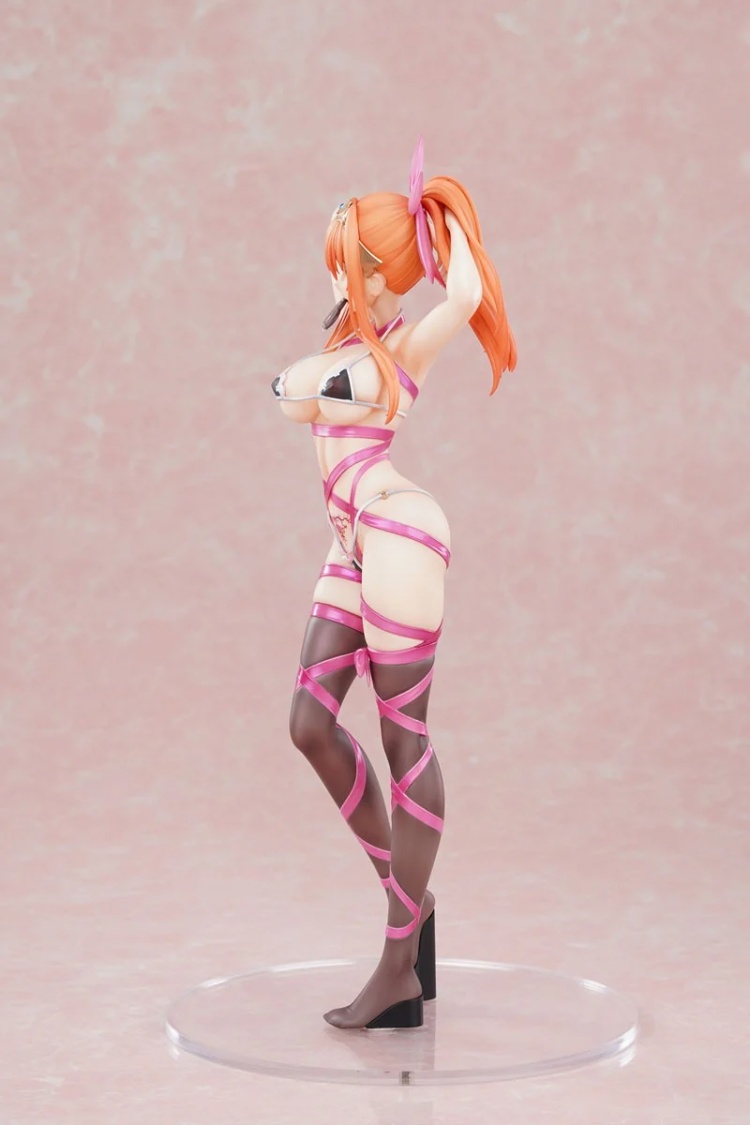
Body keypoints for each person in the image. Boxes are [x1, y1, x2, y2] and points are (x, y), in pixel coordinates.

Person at [271, 139, 516, 1029]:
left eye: (345, 254)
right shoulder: (347, 334)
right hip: (349, 541)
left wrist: (443, 236)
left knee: (402, 738)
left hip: (396, 530)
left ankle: (398, 963)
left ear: (378, 269)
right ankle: (409, 901)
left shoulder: (402, 346)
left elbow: (465, 301)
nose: (331, 268)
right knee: (309, 723)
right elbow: (303, 390)